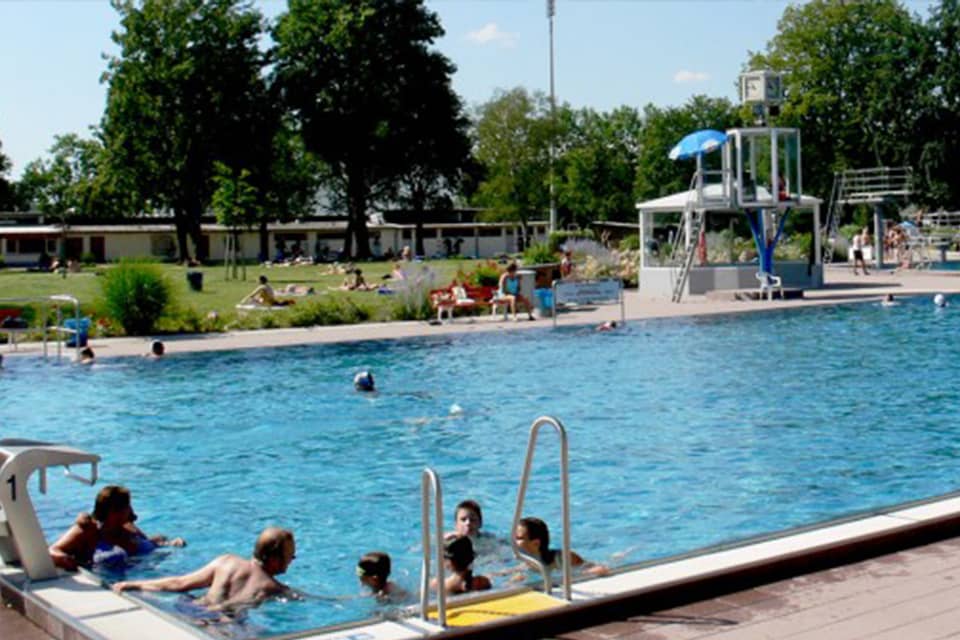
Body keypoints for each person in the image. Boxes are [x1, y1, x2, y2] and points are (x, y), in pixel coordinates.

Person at [113, 527, 295, 612]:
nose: (291, 561)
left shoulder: (226, 561)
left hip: (191, 611)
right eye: (290, 557)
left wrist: (133, 584)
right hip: (224, 628)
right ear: (273, 560)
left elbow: (180, 583)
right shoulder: (274, 588)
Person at [49, 485, 185, 571]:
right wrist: (69, 563)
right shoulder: (88, 530)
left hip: (138, 576)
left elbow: (148, 543)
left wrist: (170, 543)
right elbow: (52, 551)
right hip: (105, 584)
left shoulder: (129, 527)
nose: (131, 509)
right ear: (114, 511)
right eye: (128, 505)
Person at [513, 517, 607, 578]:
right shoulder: (526, 563)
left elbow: (600, 569)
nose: (514, 541)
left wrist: (574, 576)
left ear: (536, 543)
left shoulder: (563, 557)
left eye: (519, 538)